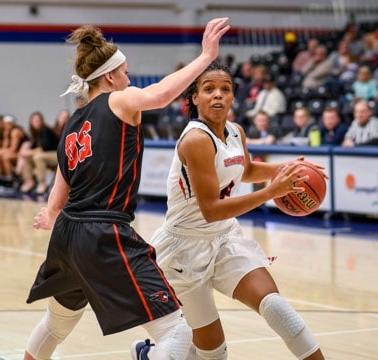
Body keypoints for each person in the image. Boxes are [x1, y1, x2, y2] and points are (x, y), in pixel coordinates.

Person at [24, 18, 230, 360]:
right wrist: (207, 55)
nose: (129, 79)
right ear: (109, 76)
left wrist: (49, 215)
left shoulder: (73, 121)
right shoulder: (120, 100)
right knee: (176, 330)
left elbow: (58, 193)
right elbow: (162, 93)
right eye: (125, 73)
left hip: (66, 234)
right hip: (103, 233)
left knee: (56, 324)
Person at [150, 62, 326, 360]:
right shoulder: (195, 140)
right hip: (185, 249)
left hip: (224, 238)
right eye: (209, 89)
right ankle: (149, 355)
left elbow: (245, 170)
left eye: (225, 89)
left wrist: (288, 169)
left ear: (233, 97)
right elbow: (211, 210)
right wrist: (271, 192)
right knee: (214, 354)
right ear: (195, 98)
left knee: (277, 307)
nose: (217, 95)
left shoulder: (235, 132)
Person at [18, 111, 59, 194]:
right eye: (33, 121)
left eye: (37, 120)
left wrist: (29, 152)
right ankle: (29, 181)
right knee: (27, 158)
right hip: (45, 155)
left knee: (38, 157)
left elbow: (44, 148)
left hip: (56, 155)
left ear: (41, 121)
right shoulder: (34, 133)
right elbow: (33, 147)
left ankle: (42, 183)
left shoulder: (46, 130)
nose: (36, 123)